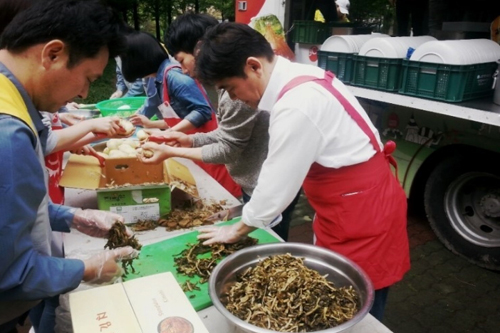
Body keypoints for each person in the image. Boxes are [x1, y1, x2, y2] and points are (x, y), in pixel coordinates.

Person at [194, 22, 410, 321]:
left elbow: (276, 185)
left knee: (358, 305)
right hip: (349, 205)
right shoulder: (297, 76)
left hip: (363, 214)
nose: (234, 98)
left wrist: (237, 229)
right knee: (336, 294)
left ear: (253, 66)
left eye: (230, 88)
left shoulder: (298, 103)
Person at [0, 1, 137, 332]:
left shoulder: (13, 100)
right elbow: (8, 273)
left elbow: (14, 213)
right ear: (53, 54)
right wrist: (85, 268)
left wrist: (74, 217)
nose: (84, 92)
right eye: (88, 78)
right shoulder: (9, 136)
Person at [134, 13, 298, 241]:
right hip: (255, 184)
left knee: (268, 245)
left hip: (267, 188)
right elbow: (226, 133)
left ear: (202, 50)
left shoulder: (237, 92)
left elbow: (228, 148)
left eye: (181, 60)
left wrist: (172, 151)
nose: (181, 69)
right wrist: (189, 140)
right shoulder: (227, 87)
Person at [120, 31, 241, 198]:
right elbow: (179, 115)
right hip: (191, 145)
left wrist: (170, 133)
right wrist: (152, 124)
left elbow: (203, 111)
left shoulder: (175, 77)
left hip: (208, 144)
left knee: (223, 196)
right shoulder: (156, 80)